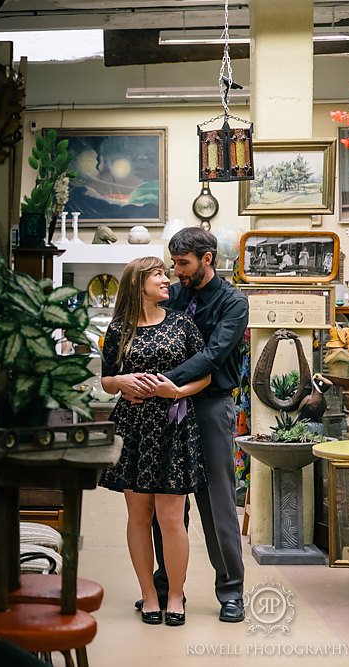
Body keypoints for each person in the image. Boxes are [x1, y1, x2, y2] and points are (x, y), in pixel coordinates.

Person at [115, 227, 250, 623]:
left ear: (207, 258)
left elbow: (212, 355)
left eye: (183, 264)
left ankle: (230, 591)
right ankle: (167, 588)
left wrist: (160, 382)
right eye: (172, 264)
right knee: (165, 502)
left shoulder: (232, 303)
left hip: (208, 406)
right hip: (160, 409)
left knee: (216, 499)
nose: (176, 272)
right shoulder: (172, 293)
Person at [99, 256, 210, 627]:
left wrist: (175, 390)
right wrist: (122, 382)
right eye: (159, 275)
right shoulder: (119, 328)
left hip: (172, 426)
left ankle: (175, 595)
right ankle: (149, 594)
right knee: (139, 514)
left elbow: (205, 375)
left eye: (166, 273)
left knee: (171, 517)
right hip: (133, 427)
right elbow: (106, 379)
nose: (167, 280)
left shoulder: (182, 323)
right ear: (138, 283)